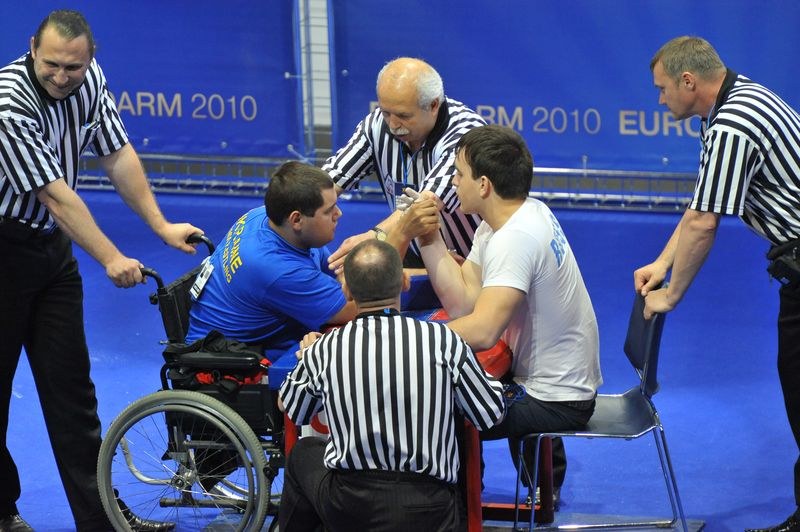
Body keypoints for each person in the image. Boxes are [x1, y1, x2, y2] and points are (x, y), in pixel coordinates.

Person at [0, 10, 202, 532]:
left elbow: (116, 153)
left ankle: (103, 520)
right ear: (31, 49)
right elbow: (56, 197)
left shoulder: (88, 80)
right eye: (51, 65)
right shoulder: (8, 104)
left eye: (73, 66)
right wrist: (112, 257)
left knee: (75, 396)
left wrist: (160, 226)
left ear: (89, 59)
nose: (62, 77)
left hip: (51, 256)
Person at [636, 36, 800, 532]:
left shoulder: (731, 124)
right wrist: (663, 262)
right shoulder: (736, 98)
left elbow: (706, 222)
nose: (660, 100)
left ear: (689, 82)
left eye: (663, 89)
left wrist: (674, 293)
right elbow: (702, 201)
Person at [393, 124, 602, 506]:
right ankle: (464, 503)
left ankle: (454, 511)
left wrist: (411, 345)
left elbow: (485, 330)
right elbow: (464, 303)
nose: (452, 183)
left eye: (458, 174)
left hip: (554, 400)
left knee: (437, 413)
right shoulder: (508, 219)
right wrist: (429, 237)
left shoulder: (515, 238)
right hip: (546, 382)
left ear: (484, 184)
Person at [278, 239, 505, 531]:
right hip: (430, 507)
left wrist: (307, 358)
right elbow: (490, 413)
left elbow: (290, 408)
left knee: (302, 454)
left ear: (346, 291)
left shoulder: (326, 348)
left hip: (351, 506)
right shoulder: (444, 340)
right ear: (405, 281)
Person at [322, 57, 486, 271]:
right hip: (415, 253)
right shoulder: (376, 125)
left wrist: (376, 237)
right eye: (385, 112)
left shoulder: (465, 132)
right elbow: (329, 181)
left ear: (433, 105)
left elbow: (424, 205)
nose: (393, 125)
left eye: (403, 116)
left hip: (473, 262)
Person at [185, 161, 358, 362]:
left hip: (252, 328)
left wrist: (346, 274)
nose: (339, 214)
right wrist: (357, 269)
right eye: (329, 211)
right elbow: (353, 310)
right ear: (296, 220)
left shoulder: (265, 216)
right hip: (224, 356)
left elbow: (330, 268)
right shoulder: (277, 270)